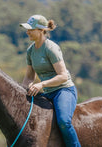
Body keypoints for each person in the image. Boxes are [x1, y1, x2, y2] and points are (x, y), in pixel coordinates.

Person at [20, 15, 81, 147]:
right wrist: (22, 90)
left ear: (41, 30)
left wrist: (42, 84)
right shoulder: (30, 51)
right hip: (47, 93)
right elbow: (29, 77)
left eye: (31, 29)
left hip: (63, 90)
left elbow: (63, 76)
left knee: (64, 122)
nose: (27, 32)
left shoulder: (51, 48)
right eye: (27, 29)